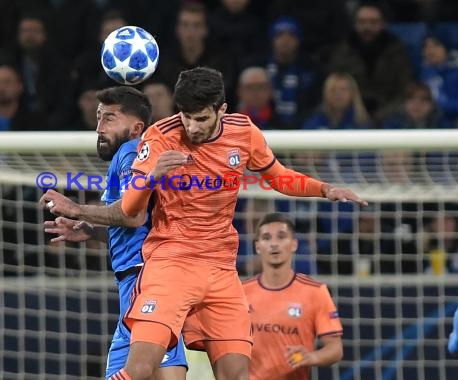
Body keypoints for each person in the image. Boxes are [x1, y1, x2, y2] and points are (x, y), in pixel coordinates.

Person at [110, 67, 366, 380]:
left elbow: (279, 177)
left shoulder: (243, 132)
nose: (191, 126)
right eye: (186, 116)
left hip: (221, 270)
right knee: (139, 370)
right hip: (171, 263)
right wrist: (151, 179)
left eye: (201, 118)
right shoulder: (161, 136)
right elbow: (129, 209)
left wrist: (324, 189)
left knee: (238, 375)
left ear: (222, 110)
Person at [40, 86, 187, 380]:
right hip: (148, 281)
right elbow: (141, 224)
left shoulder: (130, 151)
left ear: (136, 128)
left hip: (143, 283)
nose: (99, 128)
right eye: (98, 118)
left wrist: (76, 209)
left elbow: (133, 216)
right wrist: (92, 232)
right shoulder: (137, 155)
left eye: (109, 118)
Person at [243, 213, 343, 379]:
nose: (274, 244)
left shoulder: (315, 292)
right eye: (266, 238)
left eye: (281, 237)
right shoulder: (241, 292)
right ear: (257, 247)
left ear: (294, 244)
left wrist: (312, 357)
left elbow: (335, 349)